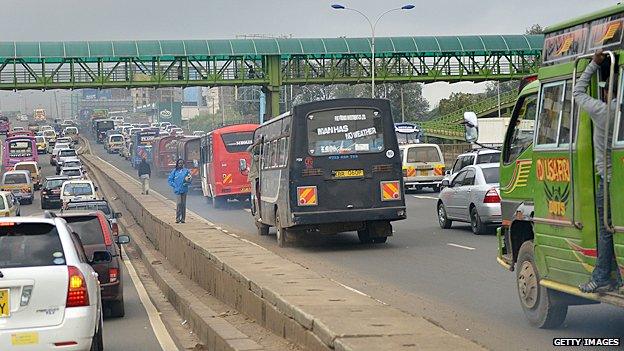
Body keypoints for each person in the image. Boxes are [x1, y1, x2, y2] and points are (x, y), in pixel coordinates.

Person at [573, 50, 622, 293]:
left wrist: (593, 63)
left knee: (606, 230)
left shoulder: (602, 112)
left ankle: (602, 275)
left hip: (608, 181)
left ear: (605, 90)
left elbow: (577, 91)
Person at [168, 159, 191, 223]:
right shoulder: (174, 171)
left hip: (184, 190)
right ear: (177, 164)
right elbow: (170, 180)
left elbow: (190, 179)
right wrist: (174, 185)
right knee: (179, 204)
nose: (180, 164)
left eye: (181, 163)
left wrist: (186, 183)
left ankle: (183, 219)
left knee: (183, 204)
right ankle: (177, 218)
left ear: (183, 164)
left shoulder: (186, 171)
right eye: (179, 163)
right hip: (177, 190)